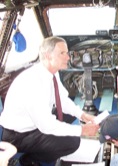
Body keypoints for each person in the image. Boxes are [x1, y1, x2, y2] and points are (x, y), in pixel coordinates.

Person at [0, 36, 100, 165]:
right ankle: (30, 160)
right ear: (48, 56)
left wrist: (82, 115)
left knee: (70, 113)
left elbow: (62, 99)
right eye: (62, 53)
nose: (68, 57)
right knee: (73, 142)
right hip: (18, 135)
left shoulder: (52, 73)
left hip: (35, 122)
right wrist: (82, 131)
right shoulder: (33, 83)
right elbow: (47, 126)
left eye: (67, 53)